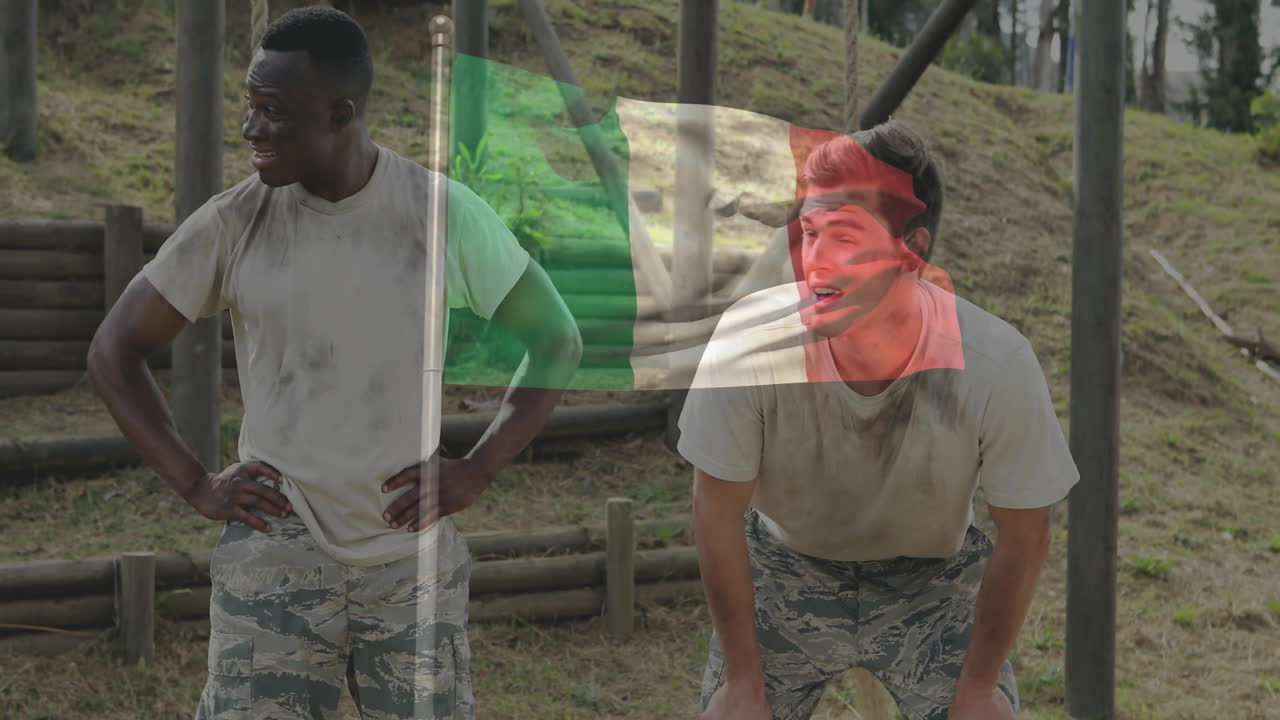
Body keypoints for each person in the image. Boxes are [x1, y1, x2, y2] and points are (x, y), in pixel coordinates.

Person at [87, 7, 581, 719]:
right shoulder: (235, 221)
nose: (251, 129)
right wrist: (196, 483)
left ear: (341, 115)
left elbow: (557, 338)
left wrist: (478, 468)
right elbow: (114, 348)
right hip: (278, 554)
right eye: (249, 107)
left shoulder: (439, 214)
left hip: (409, 560)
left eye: (273, 111)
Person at [677, 121, 1078, 720]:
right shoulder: (751, 343)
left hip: (933, 580)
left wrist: (977, 686)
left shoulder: (994, 362)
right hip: (786, 565)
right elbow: (716, 510)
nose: (815, 260)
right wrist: (742, 681)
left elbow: (1026, 535)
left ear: (911, 251)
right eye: (810, 232)